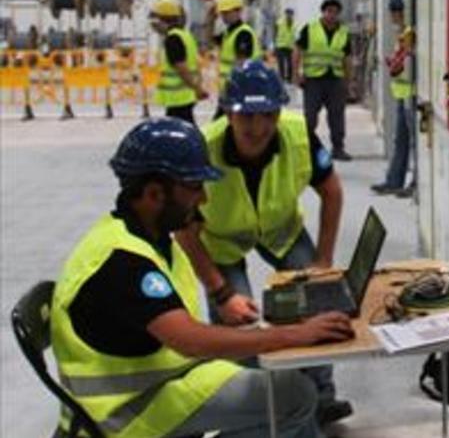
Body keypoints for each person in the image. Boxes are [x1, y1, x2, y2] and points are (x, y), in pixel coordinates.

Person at [50, 118, 354, 438]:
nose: (204, 200)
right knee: (294, 396)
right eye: (194, 187)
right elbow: (193, 341)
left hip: (164, 381)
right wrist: (296, 334)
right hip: (129, 413)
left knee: (286, 390)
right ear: (154, 194)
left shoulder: (144, 237)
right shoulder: (123, 262)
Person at [175, 61, 354, 426]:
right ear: (228, 112)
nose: (258, 129)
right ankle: (254, 411)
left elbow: (332, 193)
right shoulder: (202, 149)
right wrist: (221, 292)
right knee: (237, 327)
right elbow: (185, 230)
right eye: (247, 117)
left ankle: (320, 398)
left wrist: (322, 260)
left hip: (280, 230)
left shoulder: (299, 135)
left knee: (318, 304)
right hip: (222, 241)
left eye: (268, 116)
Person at [293, 0, 353, 161]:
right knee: (310, 116)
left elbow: (347, 58)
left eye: (335, 12)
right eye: (329, 11)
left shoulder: (343, 32)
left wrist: (348, 81)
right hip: (313, 80)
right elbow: (297, 50)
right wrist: (296, 73)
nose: (332, 15)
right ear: (323, 12)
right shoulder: (310, 29)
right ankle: (307, 149)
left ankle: (338, 148)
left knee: (337, 116)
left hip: (335, 80)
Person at [372, 0, 415, 197]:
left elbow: (409, 63)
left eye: (396, 11)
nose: (394, 16)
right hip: (402, 93)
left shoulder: (411, 33)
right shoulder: (404, 33)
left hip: (413, 95)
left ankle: (416, 184)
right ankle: (394, 181)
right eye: (393, 11)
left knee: (415, 143)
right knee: (402, 141)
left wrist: (396, 63)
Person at [150, 0, 208, 124]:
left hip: (178, 98)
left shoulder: (173, 39)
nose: (153, 24)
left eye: (155, 19)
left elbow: (182, 68)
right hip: (185, 97)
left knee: (182, 133)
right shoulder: (185, 35)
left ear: (163, 19)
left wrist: (198, 89)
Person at [213, 0, 262, 119]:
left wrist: (231, 88)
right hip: (230, 88)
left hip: (239, 88)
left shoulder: (243, 34)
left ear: (238, 11)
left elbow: (242, 65)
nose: (224, 16)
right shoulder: (228, 32)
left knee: (221, 124)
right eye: (222, 13)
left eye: (227, 12)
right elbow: (209, 41)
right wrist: (210, 19)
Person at [275, 8, 296, 84]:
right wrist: (274, 45)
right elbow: (275, 33)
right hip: (280, 45)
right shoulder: (279, 23)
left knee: (290, 63)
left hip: (290, 47)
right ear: (285, 14)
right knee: (281, 63)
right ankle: (282, 78)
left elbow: (295, 36)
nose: (289, 15)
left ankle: (289, 79)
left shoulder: (294, 24)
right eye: (288, 14)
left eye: (290, 14)